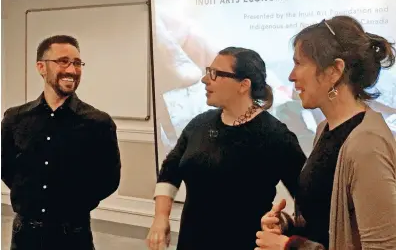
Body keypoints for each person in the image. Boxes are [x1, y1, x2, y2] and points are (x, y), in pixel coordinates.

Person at [255, 16, 396, 250]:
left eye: (299, 63)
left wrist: (289, 246)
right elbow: (328, 226)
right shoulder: (326, 129)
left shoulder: (366, 144)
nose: (291, 76)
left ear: (334, 71)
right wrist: (288, 226)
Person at [146, 47, 307, 250]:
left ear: (243, 85)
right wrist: (161, 218)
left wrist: (286, 229)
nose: (205, 79)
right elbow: (170, 170)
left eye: (215, 73)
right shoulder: (199, 125)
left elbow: (306, 197)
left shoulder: (275, 136)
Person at [1, 35, 121, 250]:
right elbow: (7, 168)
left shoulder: (97, 123)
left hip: (73, 235)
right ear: (41, 67)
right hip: (26, 235)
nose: (72, 70)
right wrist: (31, 194)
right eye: (63, 61)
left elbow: (108, 179)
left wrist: (73, 202)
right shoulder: (15, 119)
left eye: (77, 63)